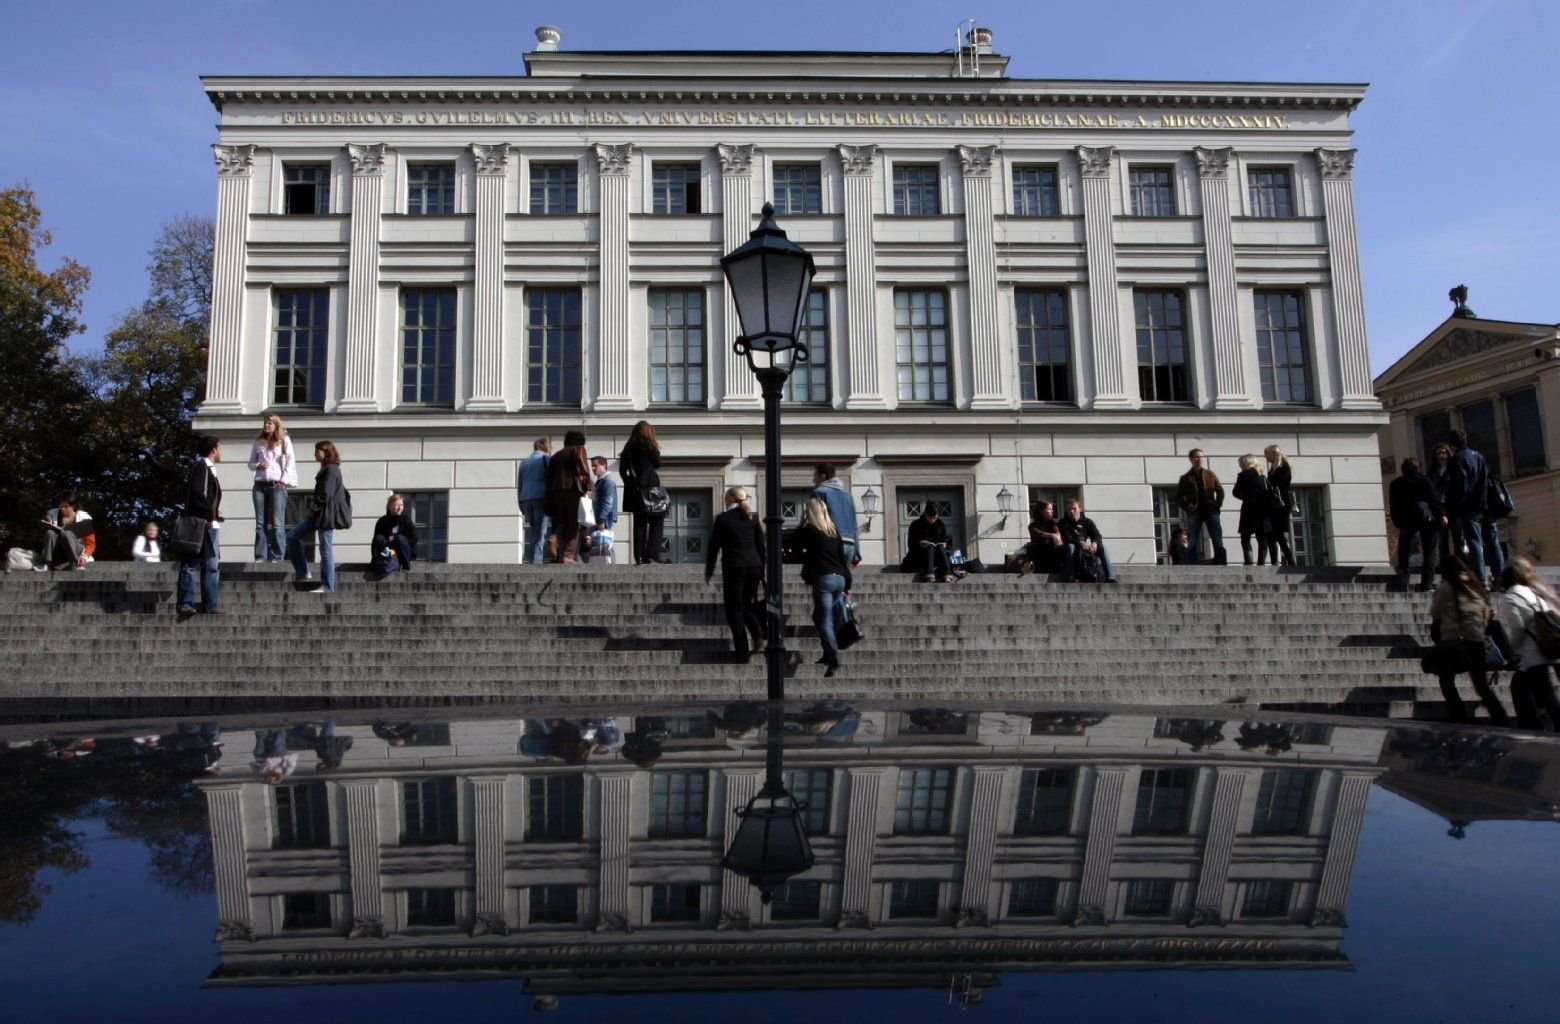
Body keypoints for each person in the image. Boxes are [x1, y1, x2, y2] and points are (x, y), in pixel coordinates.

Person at [1428, 554, 1508, 725]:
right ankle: (1500, 717)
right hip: (1477, 641)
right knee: (1481, 685)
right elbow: (1487, 613)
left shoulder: (1446, 586)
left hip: (1454, 641)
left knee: (1446, 680)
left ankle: (1459, 716)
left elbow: (1435, 612)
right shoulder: (1475, 586)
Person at [1494, 558, 1560, 731]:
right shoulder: (1531, 594)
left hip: (1534, 652)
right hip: (1547, 645)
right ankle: (1531, 724)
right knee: (1529, 687)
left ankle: (1533, 725)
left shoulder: (1509, 598)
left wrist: (1514, 649)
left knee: (1544, 694)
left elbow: (1518, 627)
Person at [791, 497, 852, 677]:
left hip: (824, 580)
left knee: (824, 619)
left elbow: (794, 543)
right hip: (839, 578)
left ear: (809, 513)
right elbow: (843, 559)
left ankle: (832, 656)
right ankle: (826, 653)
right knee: (819, 616)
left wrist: (801, 523)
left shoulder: (810, 531)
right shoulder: (833, 532)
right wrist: (848, 584)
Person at [705, 485, 767, 664]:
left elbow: (714, 546)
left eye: (725, 499)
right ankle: (756, 631)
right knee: (746, 604)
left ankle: (742, 653)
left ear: (730, 499)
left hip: (734, 567)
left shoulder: (723, 519)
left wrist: (709, 571)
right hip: (754, 566)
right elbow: (761, 546)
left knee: (734, 609)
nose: (724, 502)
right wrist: (762, 570)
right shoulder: (752, 518)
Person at [286, 440, 351, 593]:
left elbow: (326, 494)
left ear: (326, 452)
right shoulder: (328, 469)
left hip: (325, 514)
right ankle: (303, 572)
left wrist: (312, 508)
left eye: (317, 451)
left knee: (325, 549)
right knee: (292, 537)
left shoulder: (331, 470)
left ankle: (327, 586)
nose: (315, 454)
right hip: (320, 514)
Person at [176, 437, 223, 620]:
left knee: (211, 565)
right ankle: (186, 603)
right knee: (192, 562)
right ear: (213, 449)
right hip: (201, 524)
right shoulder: (202, 468)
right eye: (219, 447)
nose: (221, 451)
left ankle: (210, 604)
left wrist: (215, 513)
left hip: (208, 522)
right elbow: (198, 494)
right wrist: (209, 515)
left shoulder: (209, 469)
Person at [1389, 457, 1445, 591]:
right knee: (1429, 552)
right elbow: (1434, 500)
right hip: (1426, 519)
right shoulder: (1425, 481)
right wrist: (1441, 515)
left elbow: (1393, 504)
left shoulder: (1396, 483)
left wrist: (1397, 520)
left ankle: (1403, 572)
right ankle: (1427, 583)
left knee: (1404, 547)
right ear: (1419, 468)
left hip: (1406, 520)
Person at [246, 413, 296, 563]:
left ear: (276, 426)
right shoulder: (258, 442)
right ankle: (260, 556)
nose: (266, 426)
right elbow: (250, 463)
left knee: (277, 522)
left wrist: (283, 481)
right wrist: (258, 465)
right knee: (260, 523)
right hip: (260, 485)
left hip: (276, 486)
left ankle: (277, 556)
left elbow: (290, 461)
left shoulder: (283, 440)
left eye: (270, 423)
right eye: (265, 423)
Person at [1443, 429, 1490, 584]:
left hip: (1466, 506)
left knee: (1472, 541)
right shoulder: (1478, 456)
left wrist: (1457, 505)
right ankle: (1481, 574)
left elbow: (1460, 484)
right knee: (1478, 540)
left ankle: (1480, 577)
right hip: (1479, 504)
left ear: (1451, 443)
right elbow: (1484, 480)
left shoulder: (1458, 459)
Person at [620, 420, 669, 564]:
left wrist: (632, 483)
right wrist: (655, 449)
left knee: (639, 524)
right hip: (651, 489)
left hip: (635, 491)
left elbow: (623, 472)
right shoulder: (649, 447)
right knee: (657, 520)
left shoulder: (627, 449)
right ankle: (652, 553)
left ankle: (639, 556)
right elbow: (657, 464)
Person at [545, 429, 591, 564]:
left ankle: (554, 538)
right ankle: (568, 556)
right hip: (573, 490)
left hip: (556, 492)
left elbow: (549, 475)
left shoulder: (556, 455)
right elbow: (584, 470)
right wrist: (587, 487)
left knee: (562, 521)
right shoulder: (578, 450)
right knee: (575, 524)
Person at [1176, 449, 1226, 564]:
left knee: (1217, 537)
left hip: (1210, 510)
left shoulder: (1210, 474)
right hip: (1195, 511)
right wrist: (1188, 507)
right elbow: (1179, 497)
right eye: (1196, 457)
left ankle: (1221, 561)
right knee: (1192, 539)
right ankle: (1192, 563)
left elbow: (1220, 491)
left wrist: (1217, 504)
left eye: (1201, 457)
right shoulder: (1185, 478)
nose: (1199, 459)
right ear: (1191, 459)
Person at [1058, 498, 1118, 583]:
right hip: (1071, 550)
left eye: (1074, 509)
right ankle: (1069, 576)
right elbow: (1067, 538)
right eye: (1069, 509)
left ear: (1080, 509)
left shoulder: (1087, 522)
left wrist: (1094, 543)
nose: (1071, 511)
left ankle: (1110, 576)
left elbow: (1097, 535)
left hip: (1085, 550)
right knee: (1070, 546)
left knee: (1103, 546)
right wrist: (1080, 542)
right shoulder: (1063, 523)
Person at [810, 463, 860, 565]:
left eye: (815, 476)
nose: (813, 480)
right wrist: (856, 552)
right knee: (841, 576)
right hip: (850, 544)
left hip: (832, 543)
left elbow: (815, 521)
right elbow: (854, 524)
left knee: (827, 576)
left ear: (823, 476)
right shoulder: (848, 496)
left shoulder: (819, 493)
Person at [1232, 454, 1276, 565]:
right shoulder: (1262, 477)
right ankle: (1261, 562)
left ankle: (1249, 561)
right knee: (1262, 538)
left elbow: (1235, 492)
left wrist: (1245, 497)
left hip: (1248, 509)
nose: (1240, 466)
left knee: (1245, 537)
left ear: (1246, 463)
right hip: (1263, 510)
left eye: (1241, 463)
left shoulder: (1243, 476)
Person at [38, 490, 96, 571]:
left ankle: (76, 563)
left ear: (73, 506)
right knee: (50, 533)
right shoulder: (52, 514)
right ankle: (47, 564)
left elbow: (91, 543)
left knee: (67, 533)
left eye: (66, 506)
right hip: (57, 551)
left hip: (76, 550)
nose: (62, 509)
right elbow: (47, 536)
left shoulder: (83, 518)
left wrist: (84, 556)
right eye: (61, 506)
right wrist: (46, 524)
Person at [516, 437, 551, 565]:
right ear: (546, 448)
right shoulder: (546, 460)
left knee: (533, 530)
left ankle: (532, 559)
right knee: (540, 532)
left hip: (526, 498)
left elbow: (520, 484)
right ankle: (536, 561)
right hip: (540, 498)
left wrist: (520, 503)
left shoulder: (524, 462)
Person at [1263, 445, 1296, 566]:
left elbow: (1278, 486)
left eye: (1267, 454)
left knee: (1279, 535)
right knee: (1273, 535)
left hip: (1280, 506)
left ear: (1273, 453)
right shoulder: (1273, 469)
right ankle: (1275, 562)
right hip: (1273, 506)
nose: (1266, 457)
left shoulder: (1283, 468)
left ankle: (1290, 561)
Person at [902, 505, 954, 583]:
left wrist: (943, 544)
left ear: (938, 516)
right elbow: (911, 544)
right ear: (925, 514)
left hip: (936, 557)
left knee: (940, 547)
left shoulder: (941, 525)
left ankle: (947, 574)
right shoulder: (916, 524)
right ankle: (929, 575)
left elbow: (943, 541)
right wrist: (919, 543)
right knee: (929, 547)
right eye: (930, 517)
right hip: (919, 556)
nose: (932, 520)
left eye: (934, 518)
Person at [372, 493, 418, 575]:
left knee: (400, 538)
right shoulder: (382, 521)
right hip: (388, 551)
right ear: (389, 506)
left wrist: (396, 538)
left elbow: (414, 540)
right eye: (397, 505)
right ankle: (380, 564)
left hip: (403, 552)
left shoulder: (406, 520)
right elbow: (375, 542)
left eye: (401, 505)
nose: (400, 508)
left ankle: (406, 567)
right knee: (379, 538)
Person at [589, 456, 618, 563]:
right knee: (602, 546)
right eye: (592, 466)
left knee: (606, 545)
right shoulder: (601, 481)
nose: (593, 468)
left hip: (604, 520)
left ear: (604, 465)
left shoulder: (607, 481)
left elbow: (607, 502)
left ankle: (610, 569)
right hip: (602, 518)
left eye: (595, 465)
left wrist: (601, 520)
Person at [1025, 500, 1065, 573]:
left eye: (1052, 509)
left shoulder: (1053, 523)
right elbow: (1039, 534)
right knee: (1046, 541)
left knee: (1062, 546)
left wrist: (1057, 537)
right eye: (1049, 509)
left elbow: (1057, 532)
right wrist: (1051, 535)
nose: (1052, 511)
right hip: (1038, 553)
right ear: (1041, 510)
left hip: (1052, 552)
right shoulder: (1033, 525)